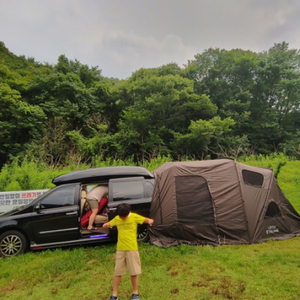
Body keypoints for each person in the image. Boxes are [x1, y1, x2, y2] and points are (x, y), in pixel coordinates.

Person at [103, 203, 154, 300]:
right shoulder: (117, 218)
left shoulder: (134, 217)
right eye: (121, 216)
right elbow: (109, 224)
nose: (122, 218)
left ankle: (135, 293)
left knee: (133, 272)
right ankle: (114, 295)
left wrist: (150, 221)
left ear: (128, 212)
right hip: (120, 249)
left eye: (124, 216)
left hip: (132, 249)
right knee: (117, 272)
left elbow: (145, 220)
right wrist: (106, 225)